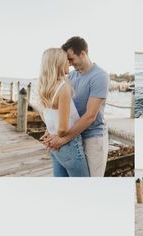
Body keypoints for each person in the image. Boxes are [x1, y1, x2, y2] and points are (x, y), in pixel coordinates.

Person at [42, 36, 109, 177]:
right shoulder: (71, 76)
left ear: (83, 53)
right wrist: (50, 131)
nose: (70, 63)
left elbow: (90, 116)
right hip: (73, 137)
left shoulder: (100, 76)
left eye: (71, 59)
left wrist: (63, 139)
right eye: (67, 60)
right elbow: (59, 108)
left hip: (92, 138)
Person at [38, 48, 89, 177]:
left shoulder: (44, 88)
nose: (69, 63)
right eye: (66, 60)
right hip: (69, 145)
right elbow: (62, 129)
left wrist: (51, 134)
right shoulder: (63, 87)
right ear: (58, 63)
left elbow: (46, 117)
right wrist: (60, 136)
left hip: (55, 147)